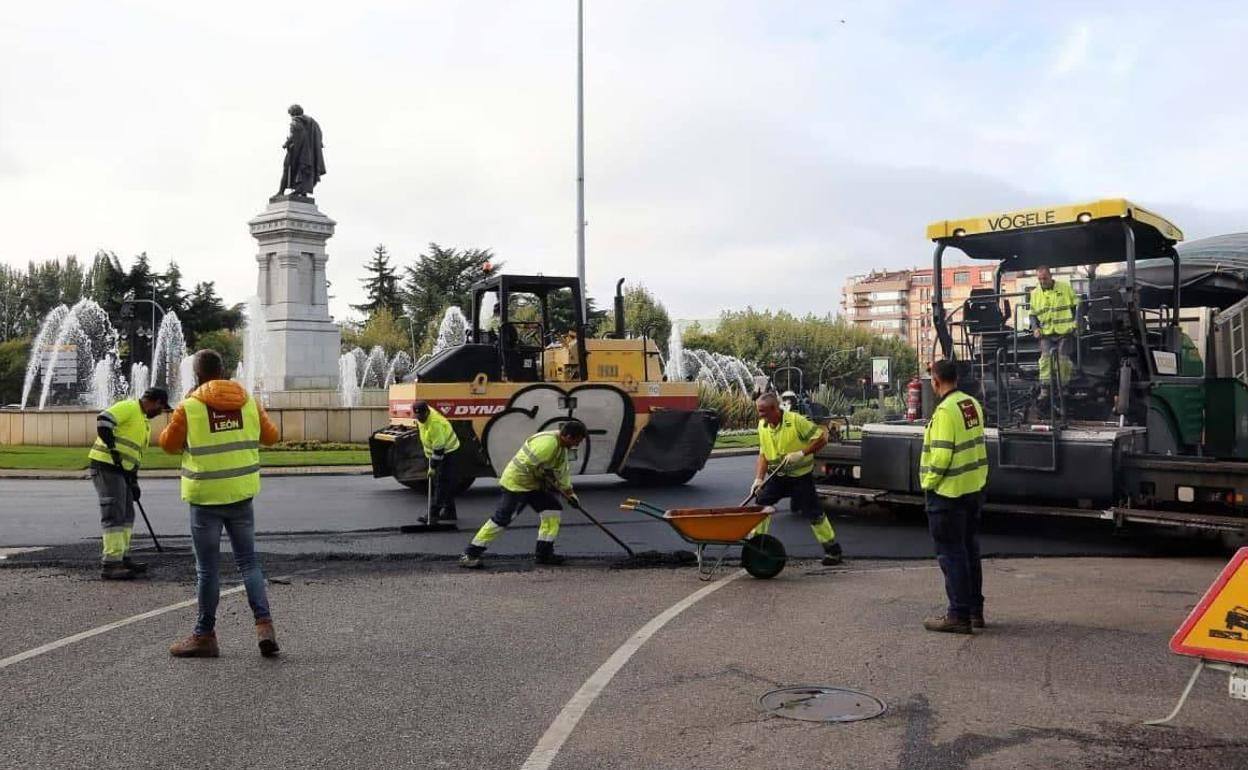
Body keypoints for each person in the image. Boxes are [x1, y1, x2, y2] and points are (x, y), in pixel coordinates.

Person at [160, 349, 281, 658]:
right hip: (241, 494)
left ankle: (204, 635)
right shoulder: (249, 402)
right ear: (224, 371)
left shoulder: (190, 406)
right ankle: (264, 626)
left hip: (205, 498)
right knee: (248, 562)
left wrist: (186, 408)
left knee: (208, 570)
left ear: (199, 375)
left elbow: (168, 445)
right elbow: (272, 437)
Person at [919, 359, 989, 634]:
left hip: (947, 493)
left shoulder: (945, 411)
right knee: (969, 550)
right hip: (972, 489)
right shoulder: (970, 404)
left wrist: (928, 482)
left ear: (936, 381)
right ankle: (975, 611)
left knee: (951, 554)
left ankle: (957, 614)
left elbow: (942, 454)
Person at [460, 420, 587, 569]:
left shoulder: (562, 449)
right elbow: (528, 465)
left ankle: (544, 554)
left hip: (533, 485)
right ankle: (470, 554)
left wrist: (570, 494)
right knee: (502, 519)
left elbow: (562, 473)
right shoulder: (547, 444)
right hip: (516, 484)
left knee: (552, 510)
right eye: (577, 441)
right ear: (568, 436)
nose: (577, 444)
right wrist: (544, 474)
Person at [748, 392, 843, 566]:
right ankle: (756, 546)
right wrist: (759, 479)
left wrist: (802, 453)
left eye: (763, 411)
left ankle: (833, 550)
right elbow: (763, 454)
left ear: (774, 408)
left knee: (814, 513)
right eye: (758, 411)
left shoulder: (796, 421)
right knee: (761, 503)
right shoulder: (763, 426)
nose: (760, 416)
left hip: (801, 477)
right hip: (778, 476)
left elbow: (822, 439)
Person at [87, 388, 170, 580]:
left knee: (127, 514)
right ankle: (111, 564)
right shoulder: (129, 407)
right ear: (154, 401)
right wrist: (112, 449)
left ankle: (122, 557)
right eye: (161, 407)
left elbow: (134, 455)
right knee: (114, 513)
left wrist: (134, 482)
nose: (160, 412)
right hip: (106, 466)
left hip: (122, 471)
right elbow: (103, 420)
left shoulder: (143, 421)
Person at [1028, 265, 1079, 407]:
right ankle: (1045, 389)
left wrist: (1076, 324)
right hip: (1046, 333)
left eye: (1044, 278)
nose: (1042, 281)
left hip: (1065, 332)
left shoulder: (1065, 288)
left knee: (1062, 359)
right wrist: (1035, 328)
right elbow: (1032, 315)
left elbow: (1077, 307)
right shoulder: (1035, 293)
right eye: (1039, 279)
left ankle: (1063, 389)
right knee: (1045, 360)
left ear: (1051, 276)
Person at [413, 401, 461, 525]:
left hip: (448, 451)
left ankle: (433, 514)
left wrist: (433, 466)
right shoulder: (421, 417)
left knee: (441, 482)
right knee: (442, 482)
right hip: (437, 452)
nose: (420, 419)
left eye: (422, 417)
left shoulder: (435, 423)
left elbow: (439, 448)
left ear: (427, 412)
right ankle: (450, 512)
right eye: (418, 417)